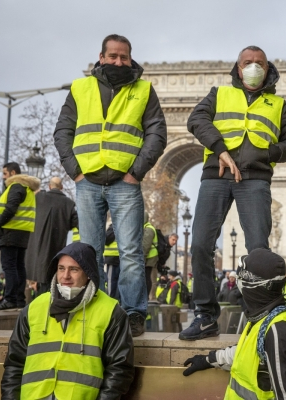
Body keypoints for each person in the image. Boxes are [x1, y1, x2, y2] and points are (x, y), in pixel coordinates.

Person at [182, 45, 286, 340]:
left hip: (255, 179)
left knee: (259, 251)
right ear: (238, 68)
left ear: (268, 68)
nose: (253, 67)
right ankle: (205, 315)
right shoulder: (218, 94)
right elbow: (196, 120)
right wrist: (220, 149)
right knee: (199, 245)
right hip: (217, 174)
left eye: (259, 63)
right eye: (247, 62)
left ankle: (259, 316)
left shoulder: (280, 105)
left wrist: (267, 152)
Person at [54, 34, 167, 337]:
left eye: (124, 57)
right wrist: (74, 171)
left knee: (131, 252)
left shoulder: (144, 89)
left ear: (131, 59)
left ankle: (133, 314)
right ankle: (95, 310)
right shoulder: (81, 88)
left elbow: (157, 133)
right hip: (87, 181)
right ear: (101, 57)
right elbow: (63, 130)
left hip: (125, 183)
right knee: (89, 252)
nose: (119, 61)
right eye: (113, 56)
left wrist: (136, 172)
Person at [182, 249, 286, 400]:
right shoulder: (265, 318)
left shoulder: (280, 330)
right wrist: (209, 359)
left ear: (253, 286)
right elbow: (247, 353)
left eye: (241, 280)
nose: (238, 285)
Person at [1, 242, 134, 399]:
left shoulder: (111, 311)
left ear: (89, 272)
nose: (65, 276)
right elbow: (14, 364)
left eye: (74, 269)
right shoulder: (34, 308)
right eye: (61, 268)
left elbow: (119, 369)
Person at [0, 163, 41, 311]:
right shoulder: (27, 189)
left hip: (10, 230)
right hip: (22, 232)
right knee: (19, 265)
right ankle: (19, 299)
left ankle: (10, 299)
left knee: (10, 266)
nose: (3, 177)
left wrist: (0, 223)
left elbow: (11, 207)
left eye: (4, 173)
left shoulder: (16, 187)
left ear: (13, 172)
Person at [25, 177, 78, 296]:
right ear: (62, 187)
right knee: (52, 281)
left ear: (49, 186)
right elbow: (75, 223)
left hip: (36, 251)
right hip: (56, 249)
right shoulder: (69, 203)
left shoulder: (39, 198)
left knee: (40, 282)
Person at [142, 212, 158, 301]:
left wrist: (142, 258)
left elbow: (146, 246)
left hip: (149, 258)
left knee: (148, 278)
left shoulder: (148, 229)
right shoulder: (147, 227)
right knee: (147, 277)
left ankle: (147, 297)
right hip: (150, 257)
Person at [103, 223, 121, 301]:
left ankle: (111, 299)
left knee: (111, 280)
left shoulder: (113, 227)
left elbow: (106, 239)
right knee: (119, 280)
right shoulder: (123, 227)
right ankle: (118, 300)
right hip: (120, 258)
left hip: (112, 258)